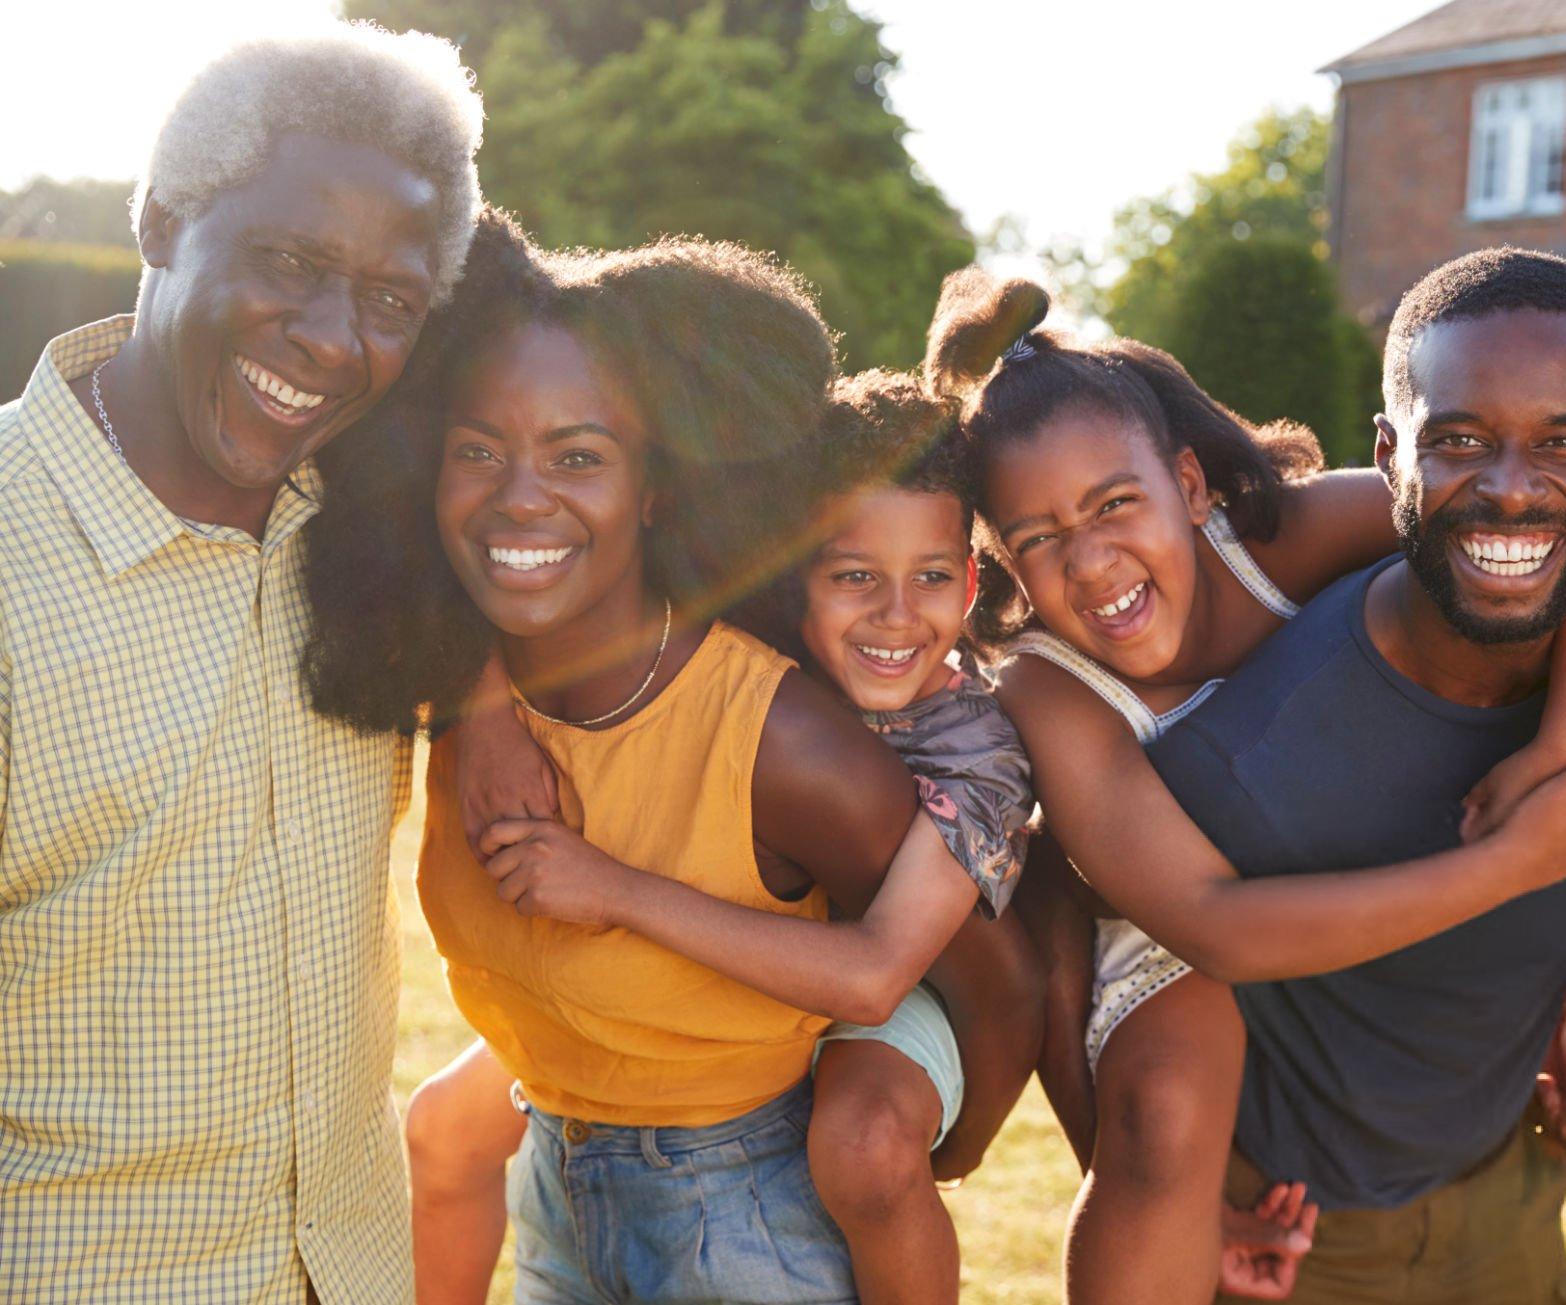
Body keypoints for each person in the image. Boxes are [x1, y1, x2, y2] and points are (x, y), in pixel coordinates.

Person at [920, 263, 1566, 1301]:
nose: (1088, 565)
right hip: (1177, 917)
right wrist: (1504, 865)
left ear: (1186, 485)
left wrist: (1564, 744)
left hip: (1356, 849)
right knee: (1161, 1120)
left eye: (1115, 505)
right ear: (999, 555)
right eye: (1038, 540)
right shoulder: (1050, 686)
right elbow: (1210, 923)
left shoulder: (1279, 537)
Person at [303, 211, 932, 1304]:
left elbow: (972, 963)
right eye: (477, 450)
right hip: (555, 1178)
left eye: (576, 454)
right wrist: (478, 700)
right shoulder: (440, 668)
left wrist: (902, 1147)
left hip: (746, 1212)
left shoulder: (783, 744)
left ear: (654, 487)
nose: (519, 496)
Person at [1124, 247, 1566, 1303]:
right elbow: (1066, 954)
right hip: (1291, 1238)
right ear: (1386, 453)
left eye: (1563, 443)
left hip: (1514, 1193)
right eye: (1456, 441)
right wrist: (1171, 1194)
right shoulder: (1235, 757)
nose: (1510, 490)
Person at [0, 24, 482, 1301]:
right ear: (159, 220)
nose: (333, 339)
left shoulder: (377, 540)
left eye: (390, 302)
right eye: (289, 262)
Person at [402, 369, 1044, 1304]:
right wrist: (489, 706)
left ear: (971, 580)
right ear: (798, 576)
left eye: (932, 579)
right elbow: (509, 574)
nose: (897, 615)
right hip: (729, 992)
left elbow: (879, 972)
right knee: (447, 1120)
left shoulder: (974, 754)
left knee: (863, 1142)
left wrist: (610, 886)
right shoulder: (755, 641)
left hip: (903, 975)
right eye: (855, 576)